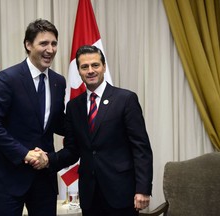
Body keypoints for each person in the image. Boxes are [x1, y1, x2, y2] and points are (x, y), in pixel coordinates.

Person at [41, 45, 153, 216]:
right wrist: (47, 160)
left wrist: (143, 189)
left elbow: (141, 148)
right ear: (79, 71)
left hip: (121, 193)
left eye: (95, 65)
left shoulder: (125, 99)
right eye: (84, 67)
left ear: (104, 67)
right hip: (90, 195)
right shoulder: (73, 106)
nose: (90, 71)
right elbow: (73, 150)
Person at [0, 19, 66, 216]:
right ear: (28, 45)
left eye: (54, 44)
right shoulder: (8, 78)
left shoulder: (58, 82)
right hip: (10, 175)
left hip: (44, 177)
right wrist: (24, 153)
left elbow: (56, 122)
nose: (50, 49)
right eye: (43, 43)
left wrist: (89, 122)